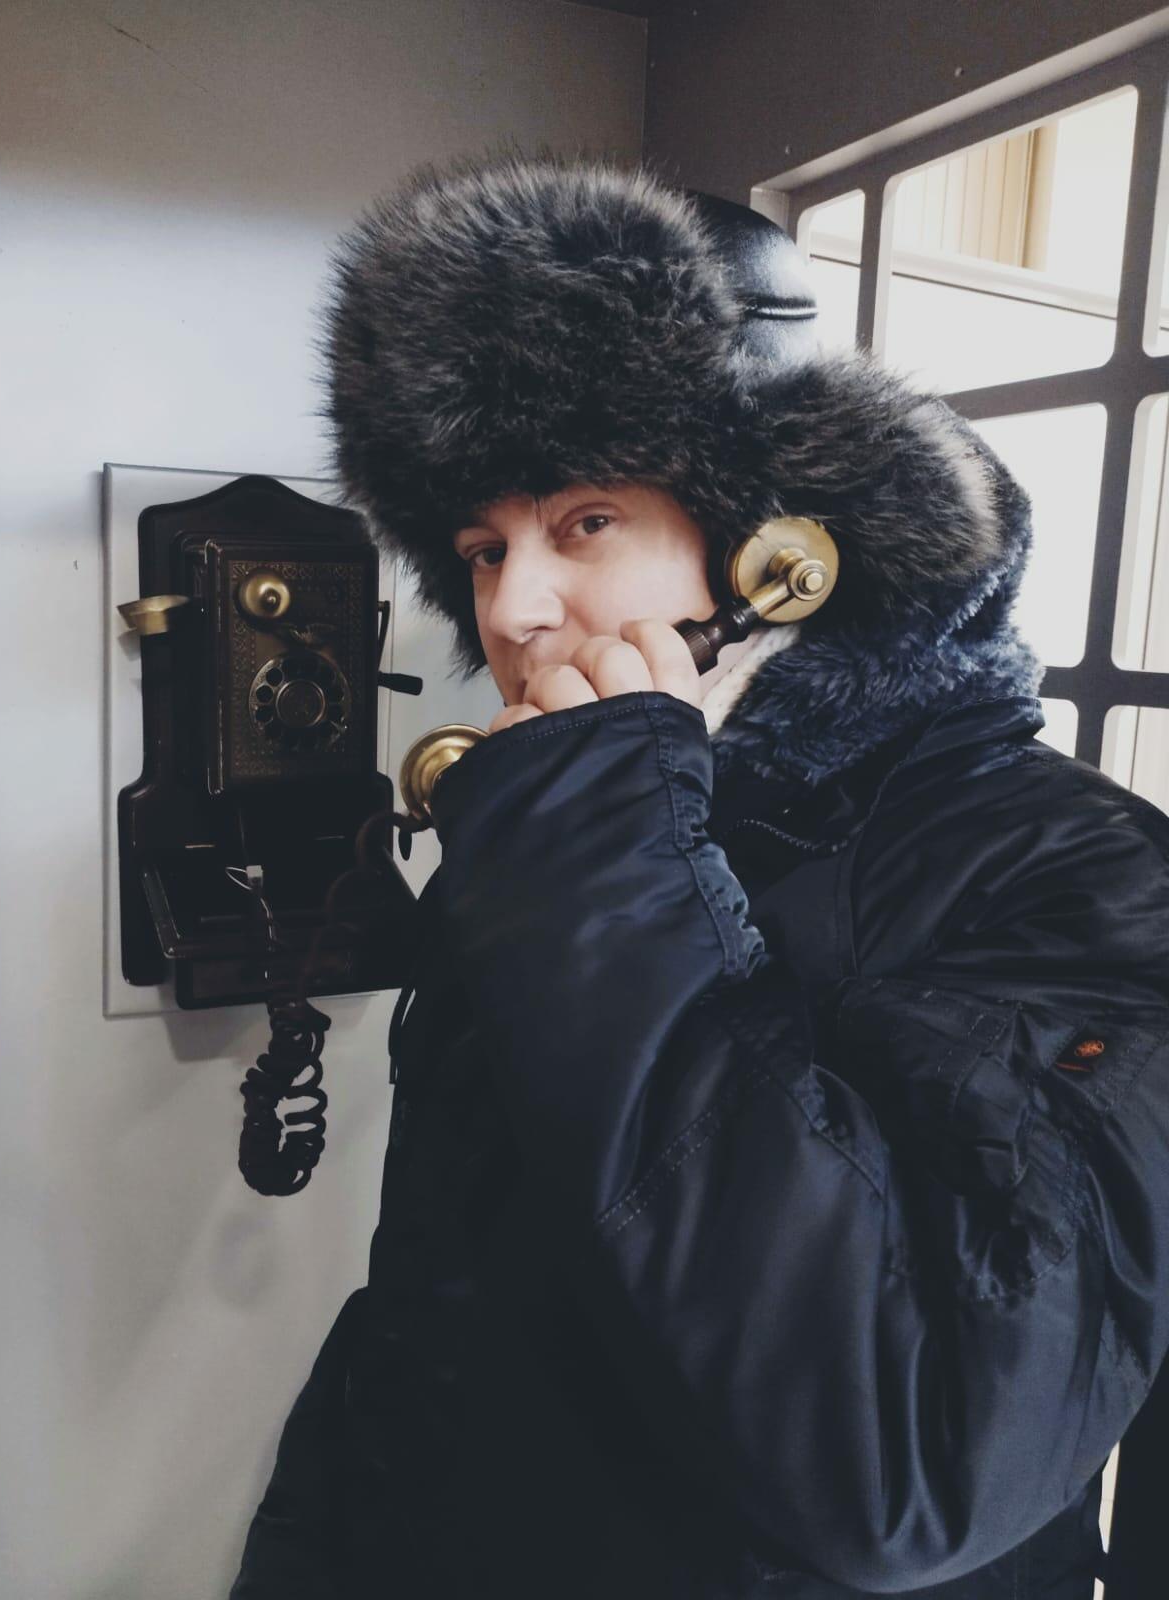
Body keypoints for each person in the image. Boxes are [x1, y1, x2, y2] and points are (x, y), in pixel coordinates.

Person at [228, 148, 1169, 1599]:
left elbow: (909, 1459)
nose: (514, 609)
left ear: (783, 547)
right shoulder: (571, 829)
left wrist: (604, 851)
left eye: (585, 522)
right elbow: (438, 1315)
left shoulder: (1073, 873)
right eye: (481, 547)